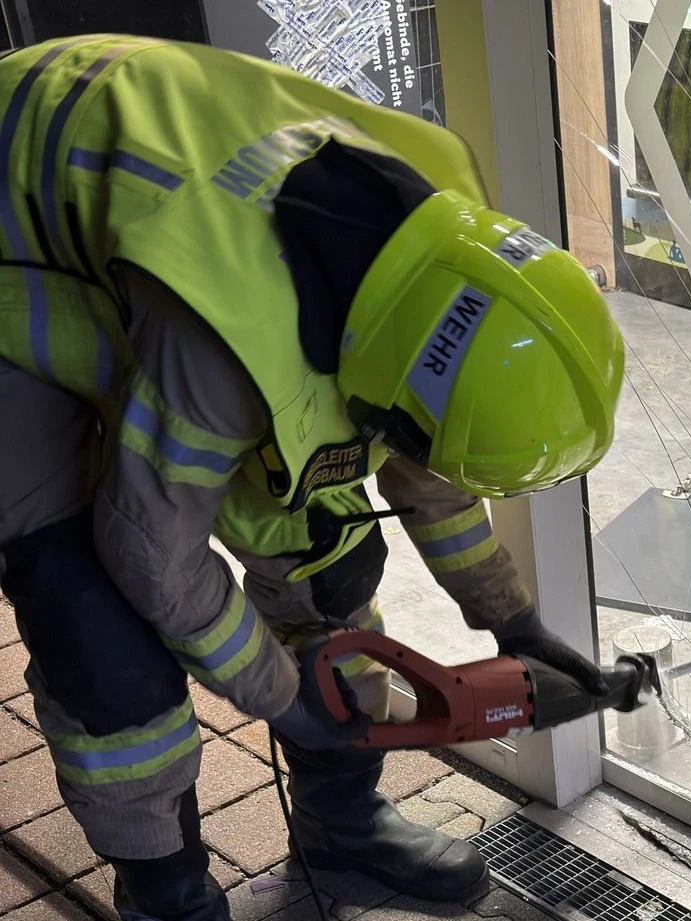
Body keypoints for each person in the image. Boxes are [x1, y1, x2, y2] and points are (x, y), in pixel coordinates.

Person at [0, 34, 625, 921]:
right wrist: (282, 698)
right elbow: (151, 556)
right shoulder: (223, 325)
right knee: (97, 627)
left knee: (330, 561)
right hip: (17, 252)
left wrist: (513, 619)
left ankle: (342, 815)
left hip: (146, 224)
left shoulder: (453, 255)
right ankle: (164, 889)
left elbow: (424, 462)